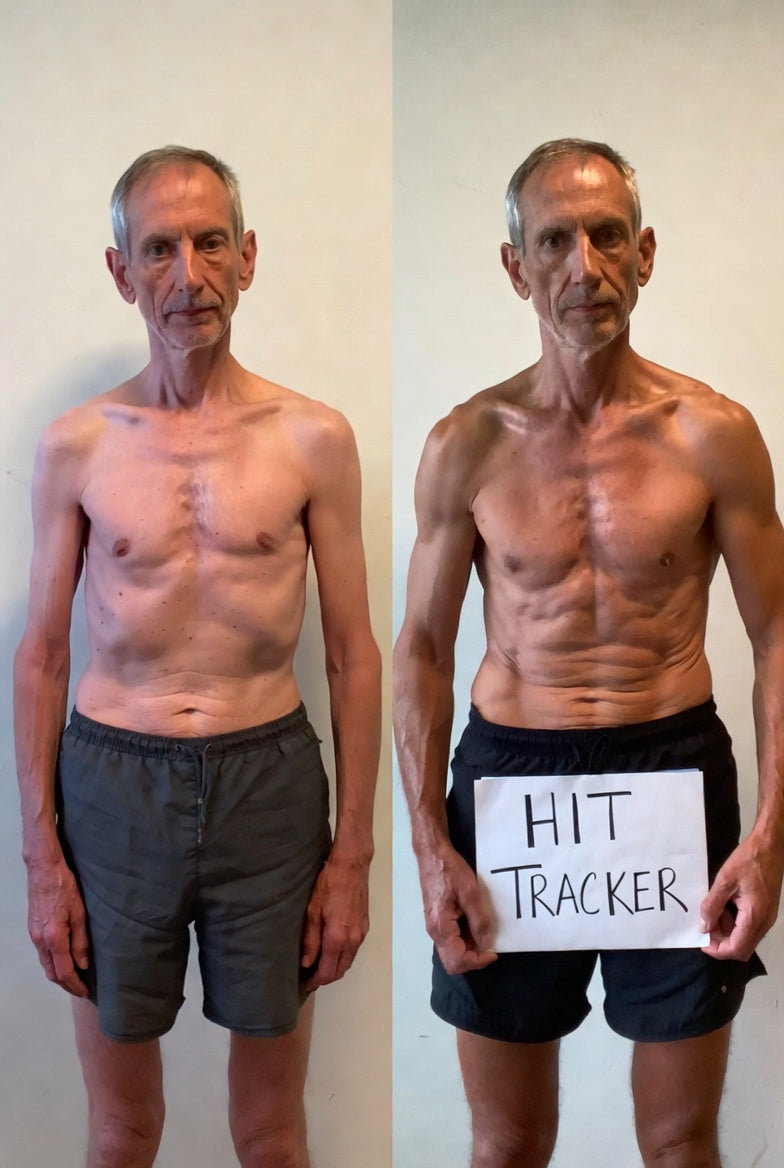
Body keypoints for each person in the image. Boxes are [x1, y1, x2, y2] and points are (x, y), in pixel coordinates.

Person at [393, 138, 784, 1168]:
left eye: (607, 236)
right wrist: (432, 848)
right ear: (515, 265)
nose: (584, 266)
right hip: (511, 783)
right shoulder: (465, 442)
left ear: (644, 252)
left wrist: (772, 832)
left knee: (676, 1139)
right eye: (554, 241)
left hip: (672, 775)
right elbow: (422, 649)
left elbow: (777, 633)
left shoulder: (714, 434)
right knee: (507, 1140)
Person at [14, 145, 381, 1168]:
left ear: (248, 256)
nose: (189, 275)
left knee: (270, 1130)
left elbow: (353, 656)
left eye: (211, 242)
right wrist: (43, 859)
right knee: (124, 1128)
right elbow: (41, 656)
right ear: (121, 271)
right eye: (160, 249)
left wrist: (350, 854)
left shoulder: (313, 438)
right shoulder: (77, 445)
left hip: (267, 784)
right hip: (111, 786)